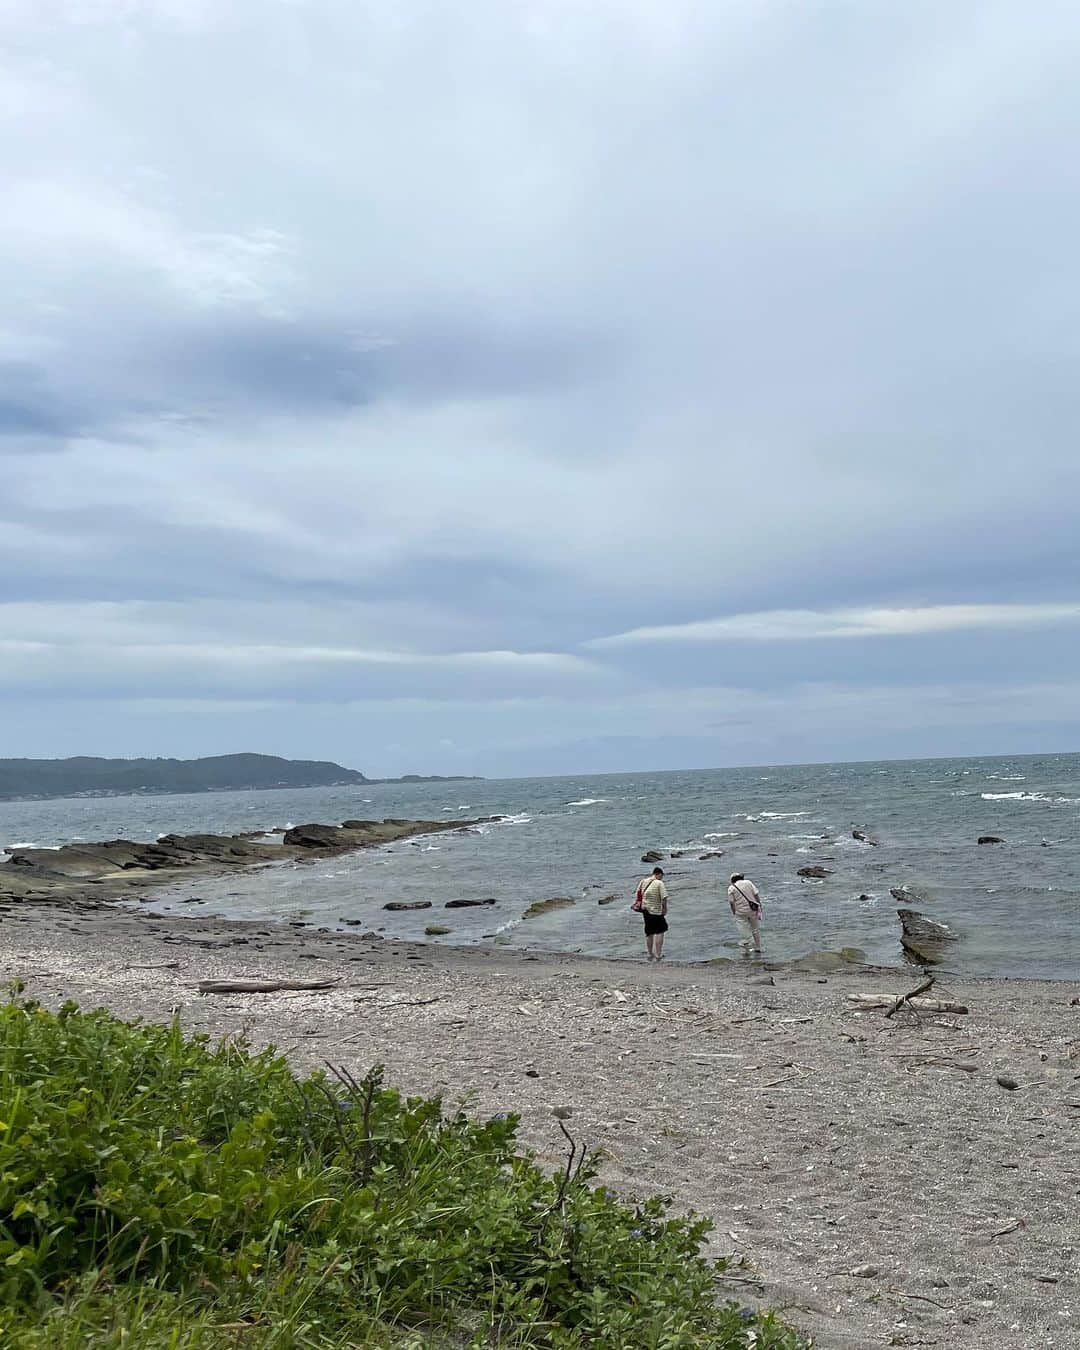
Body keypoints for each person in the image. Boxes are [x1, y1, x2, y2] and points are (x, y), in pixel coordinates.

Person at [637, 866, 669, 961]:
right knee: (660, 931)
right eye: (661, 876)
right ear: (659, 874)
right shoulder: (659, 883)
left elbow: (638, 893)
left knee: (649, 932)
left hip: (645, 910)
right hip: (656, 910)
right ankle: (658, 954)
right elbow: (664, 897)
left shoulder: (643, 881)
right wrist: (665, 908)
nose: (661, 878)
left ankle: (650, 953)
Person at [727, 872, 763, 954]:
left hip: (740, 912)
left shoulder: (731, 888)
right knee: (755, 929)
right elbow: (756, 894)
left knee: (744, 930)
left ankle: (748, 944)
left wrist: (734, 913)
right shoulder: (748, 882)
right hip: (753, 909)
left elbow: (731, 902)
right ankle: (758, 947)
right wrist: (760, 905)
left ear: (732, 880)